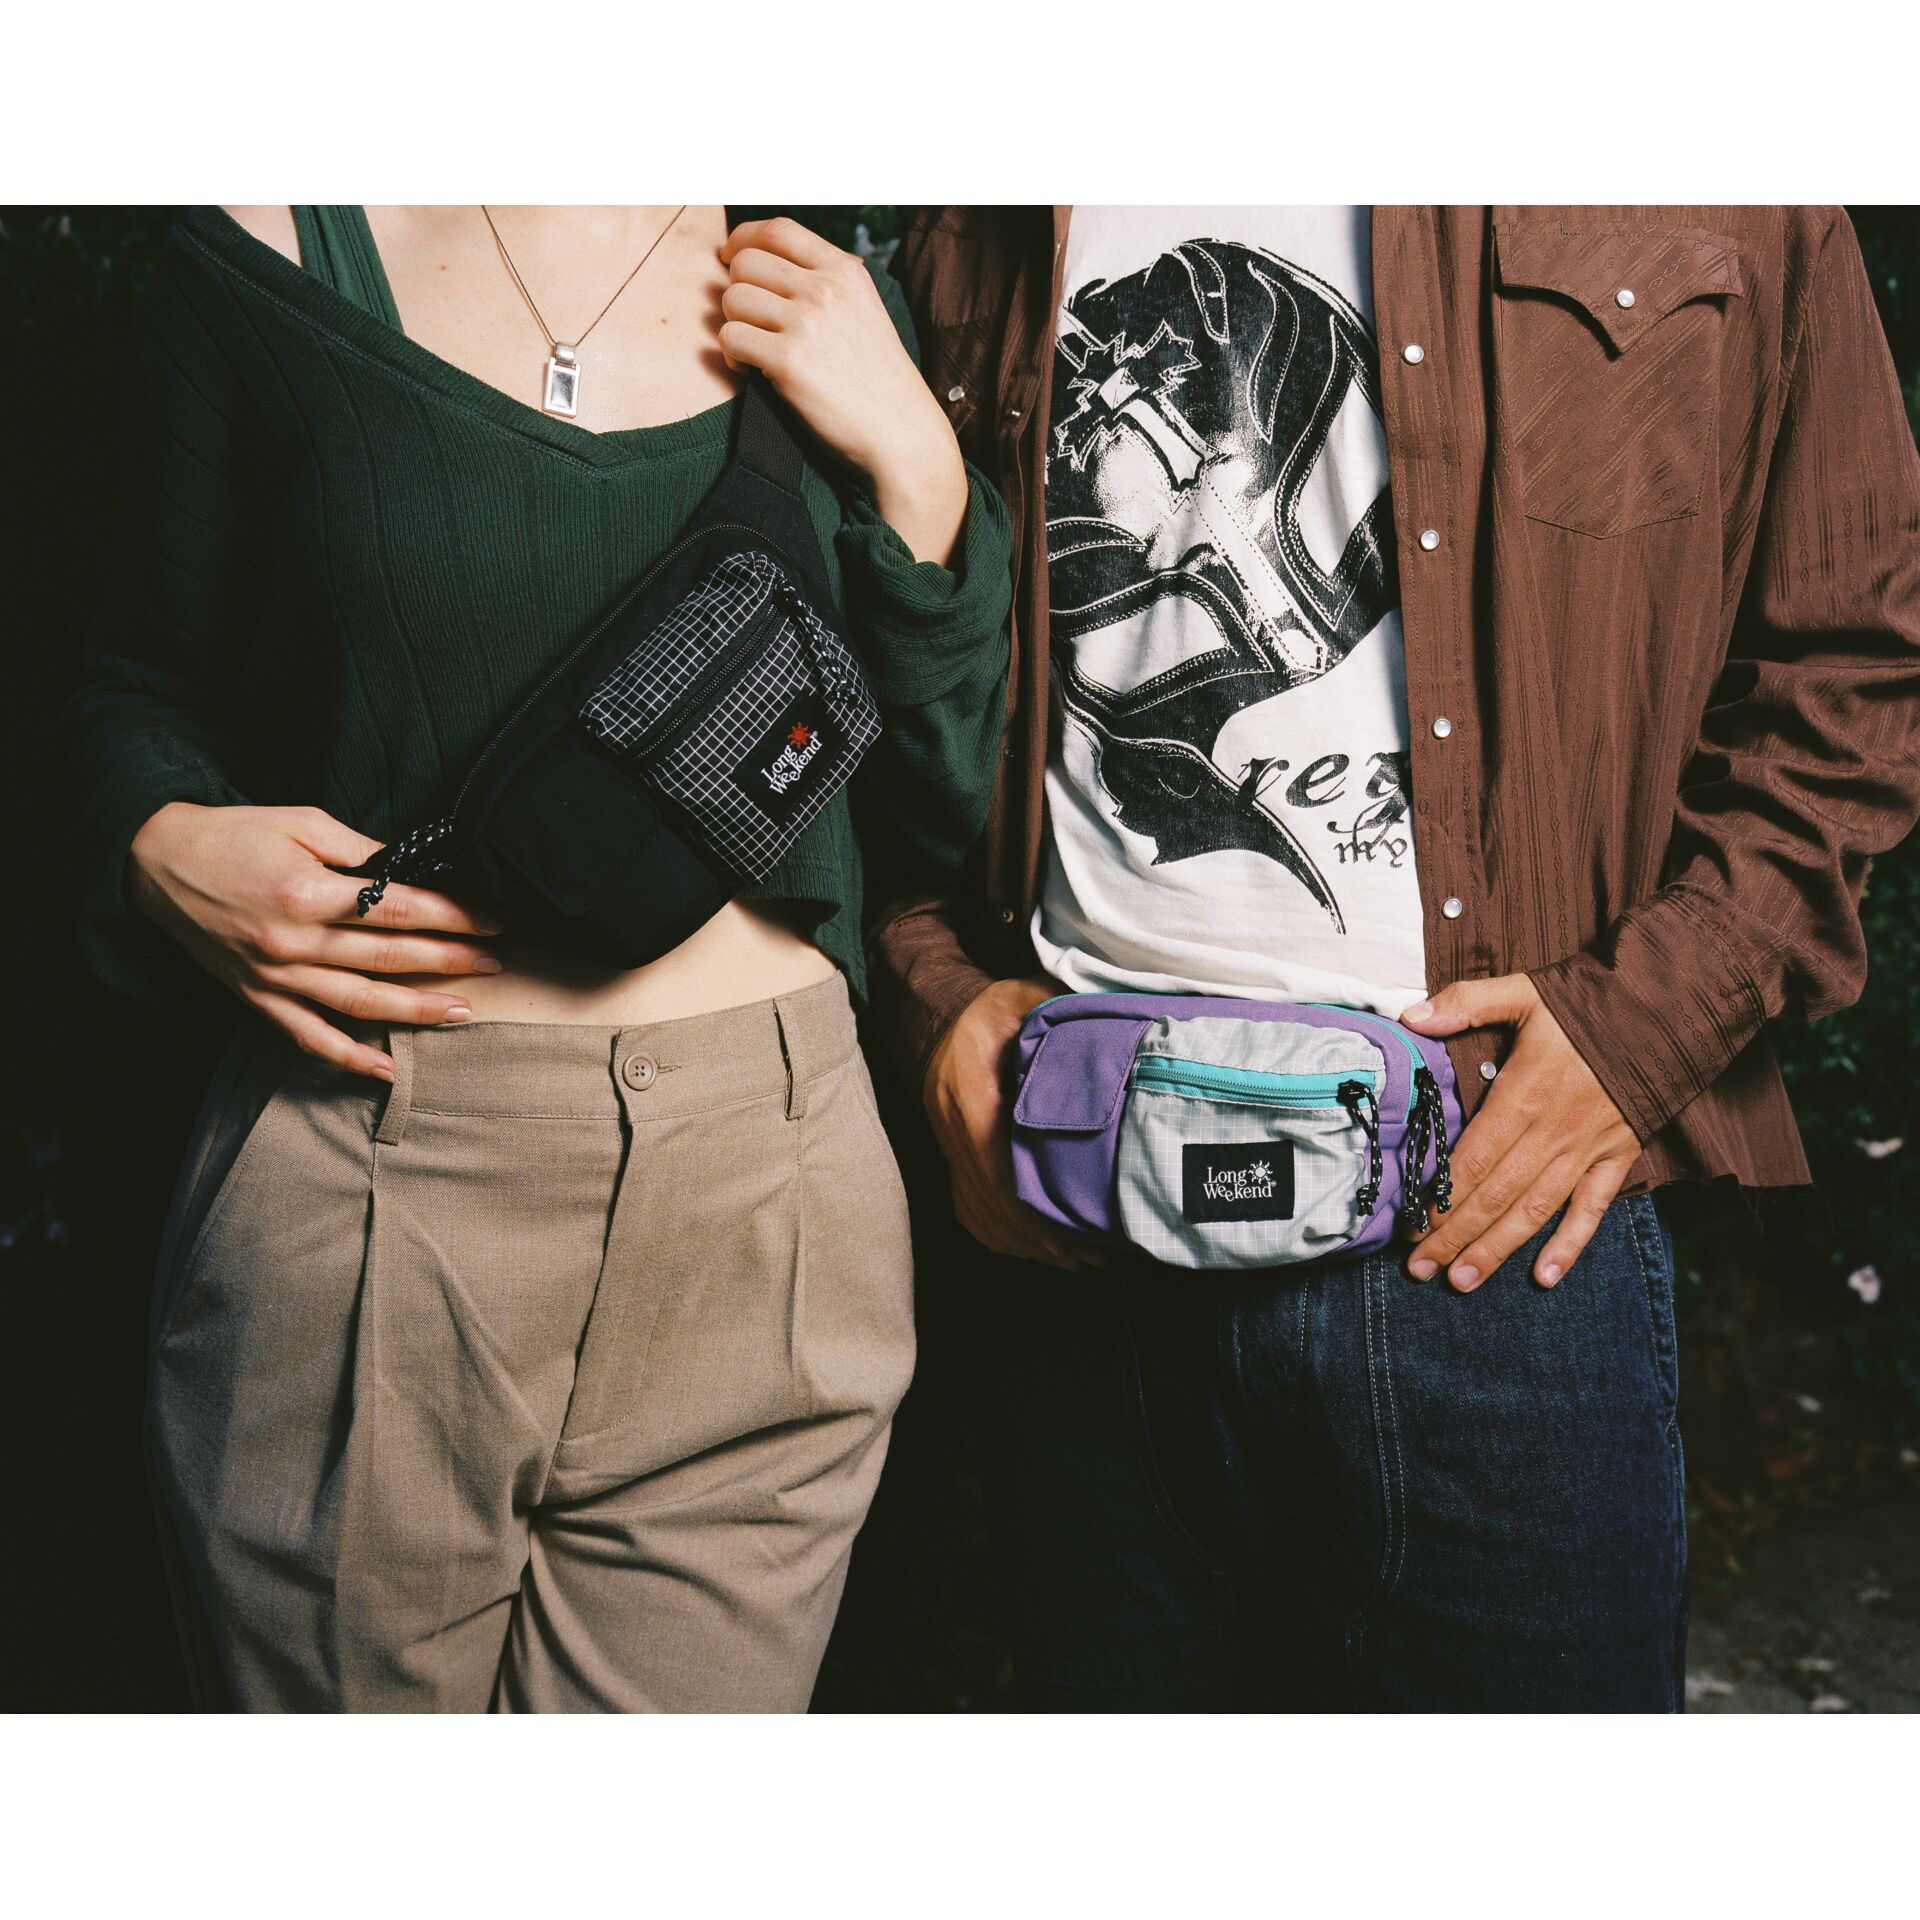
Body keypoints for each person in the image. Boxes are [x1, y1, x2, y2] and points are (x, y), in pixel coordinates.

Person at [874, 206, 1920, 1710]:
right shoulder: (982, 206)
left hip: (1494, 1230)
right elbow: (891, 655)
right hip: (1079, 1216)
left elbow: (1858, 645)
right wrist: (938, 999)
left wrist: (1647, 1027)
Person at [70, 205, 1012, 1712]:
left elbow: (931, 811)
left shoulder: (821, 281)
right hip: (380, 1157)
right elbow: (125, 675)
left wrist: (923, 473)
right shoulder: (258, 250)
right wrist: (157, 840)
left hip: (774, 1199)